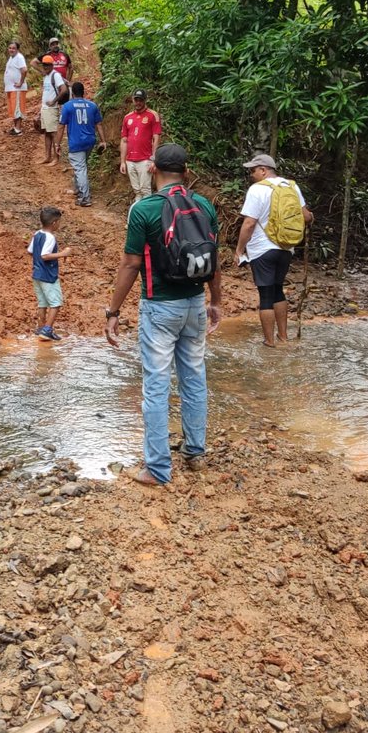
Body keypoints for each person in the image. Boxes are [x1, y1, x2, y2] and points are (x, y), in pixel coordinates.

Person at [104, 143, 222, 486]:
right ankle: (195, 451)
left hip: (158, 307)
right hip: (195, 304)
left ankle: (157, 468)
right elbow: (213, 261)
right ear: (186, 172)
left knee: (156, 385)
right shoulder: (203, 206)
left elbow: (130, 264)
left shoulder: (144, 210)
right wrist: (216, 302)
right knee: (194, 378)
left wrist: (114, 311)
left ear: (153, 168)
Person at [233, 153, 314, 348]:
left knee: (266, 295)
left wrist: (239, 249)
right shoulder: (291, 186)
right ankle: (283, 337)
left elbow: (249, 223)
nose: (251, 174)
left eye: (253, 170)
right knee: (278, 290)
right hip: (286, 248)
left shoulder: (257, 189)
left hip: (262, 249)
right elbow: (306, 217)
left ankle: (269, 342)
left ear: (263, 170)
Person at [54, 81, 107, 206]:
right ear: (83, 93)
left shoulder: (67, 106)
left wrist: (57, 144)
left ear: (72, 94)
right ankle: (78, 189)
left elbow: (61, 126)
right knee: (82, 166)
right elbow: (98, 124)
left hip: (76, 142)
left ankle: (85, 198)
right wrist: (103, 140)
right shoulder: (92, 105)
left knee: (80, 168)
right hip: (90, 141)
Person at [27, 205, 72, 341]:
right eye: (59, 222)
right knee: (56, 303)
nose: (59, 224)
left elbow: (30, 251)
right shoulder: (50, 237)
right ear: (54, 223)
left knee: (43, 303)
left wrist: (38, 263)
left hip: (37, 274)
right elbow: (45, 255)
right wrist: (63, 253)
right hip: (48, 276)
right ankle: (47, 330)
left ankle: (41, 328)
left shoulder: (37, 234)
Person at [120, 90, 162, 202]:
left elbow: (156, 138)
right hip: (130, 160)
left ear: (145, 100)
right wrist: (123, 161)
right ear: (133, 100)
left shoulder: (152, 115)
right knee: (137, 191)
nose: (138, 102)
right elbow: (124, 140)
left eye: (140, 100)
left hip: (145, 159)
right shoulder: (127, 117)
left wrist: (154, 159)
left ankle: (147, 216)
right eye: (136, 99)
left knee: (145, 190)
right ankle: (137, 215)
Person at [39, 55, 68, 163]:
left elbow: (64, 89)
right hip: (45, 108)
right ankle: (47, 157)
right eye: (44, 65)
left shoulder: (55, 75)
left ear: (52, 65)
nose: (45, 67)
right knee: (47, 132)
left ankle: (56, 158)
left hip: (51, 109)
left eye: (47, 65)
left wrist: (54, 101)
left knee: (53, 133)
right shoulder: (46, 76)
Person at [3, 40, 28, 135]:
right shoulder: (11, 58)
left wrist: (20, 82)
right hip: (11, 88)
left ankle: (18, 129)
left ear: (17, 49)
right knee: (13, 108)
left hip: (17, 88)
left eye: (13, 48)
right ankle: (15, 127)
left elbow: (24, 70)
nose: (11, 50)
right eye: (10, 48)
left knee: (17, 108)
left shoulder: (19, 57)